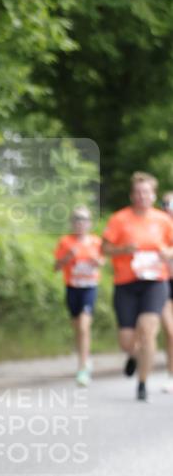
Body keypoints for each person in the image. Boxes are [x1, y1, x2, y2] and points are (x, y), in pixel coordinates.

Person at [101, 172, 173, 401]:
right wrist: (122, 250)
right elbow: (104, 248)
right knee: (127, 340)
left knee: (148, 328)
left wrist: (167, 253)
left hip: (155, 282)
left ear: (153, 195)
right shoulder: (119, 219)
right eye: (138, 192)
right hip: (126, 284)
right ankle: (132, 355)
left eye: (147, 192)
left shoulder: (163, 220)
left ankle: (142, 384)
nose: (142, 196)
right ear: (132, 195)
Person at [53, 206, 103, 386]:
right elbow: (56, 267)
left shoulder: (96, 242)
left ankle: (82, 369)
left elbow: (103, 261)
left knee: (83, 326)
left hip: (89, 287)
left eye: (84, 219)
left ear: (89, 223)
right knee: (77, 328)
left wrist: (97, 262)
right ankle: (85, 358)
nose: (80, 222)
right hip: (72, 288)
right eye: (77, 219)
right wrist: (67, 257)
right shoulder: (65, 241)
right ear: (72, 223)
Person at [160, 191, 173, 392]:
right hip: (162, 283)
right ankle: (171, 376)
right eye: (165, 204)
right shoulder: (155, 227)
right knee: (170, 332)